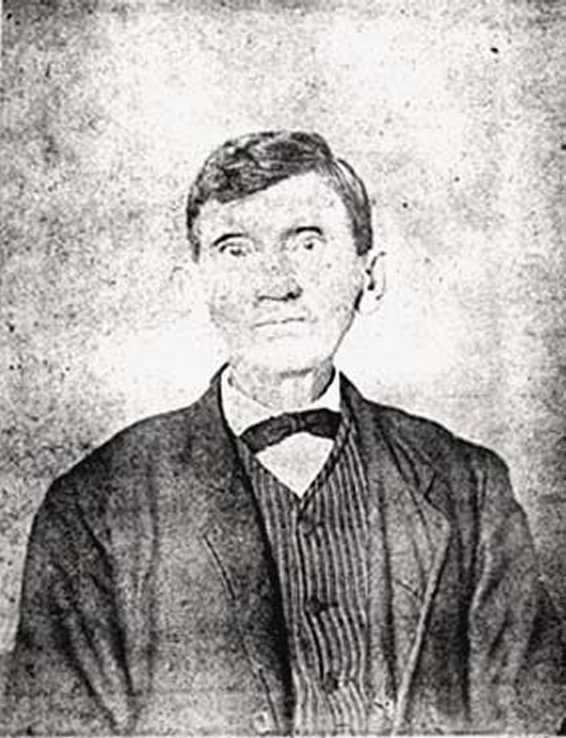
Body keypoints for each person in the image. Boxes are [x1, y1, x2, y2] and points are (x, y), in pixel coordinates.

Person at [2, 131, 564, 736]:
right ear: (193, 286)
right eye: (236, 249)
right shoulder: (93, 508)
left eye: (307, 242)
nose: (277, 283)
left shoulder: (469, 487)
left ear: (369, 277)